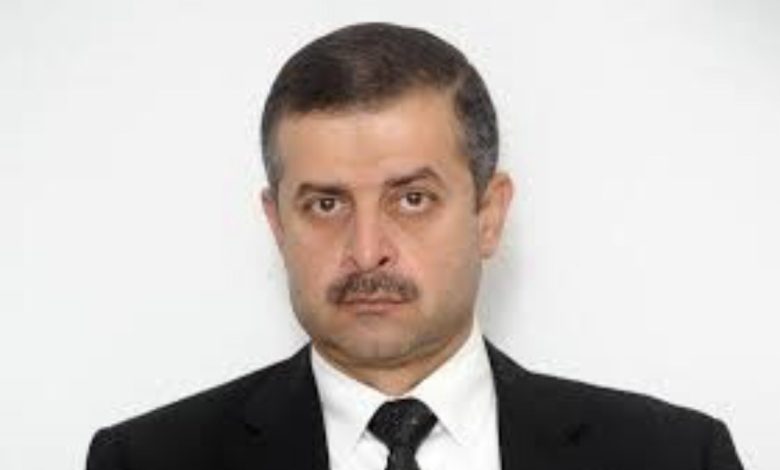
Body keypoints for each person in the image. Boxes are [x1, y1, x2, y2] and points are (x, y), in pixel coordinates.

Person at [86, 22, 743, 470]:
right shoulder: (144, 462)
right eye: (325, 204)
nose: (367, 250)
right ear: (277, 225)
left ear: (489, 214)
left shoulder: (676, 457)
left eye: (412, 199)